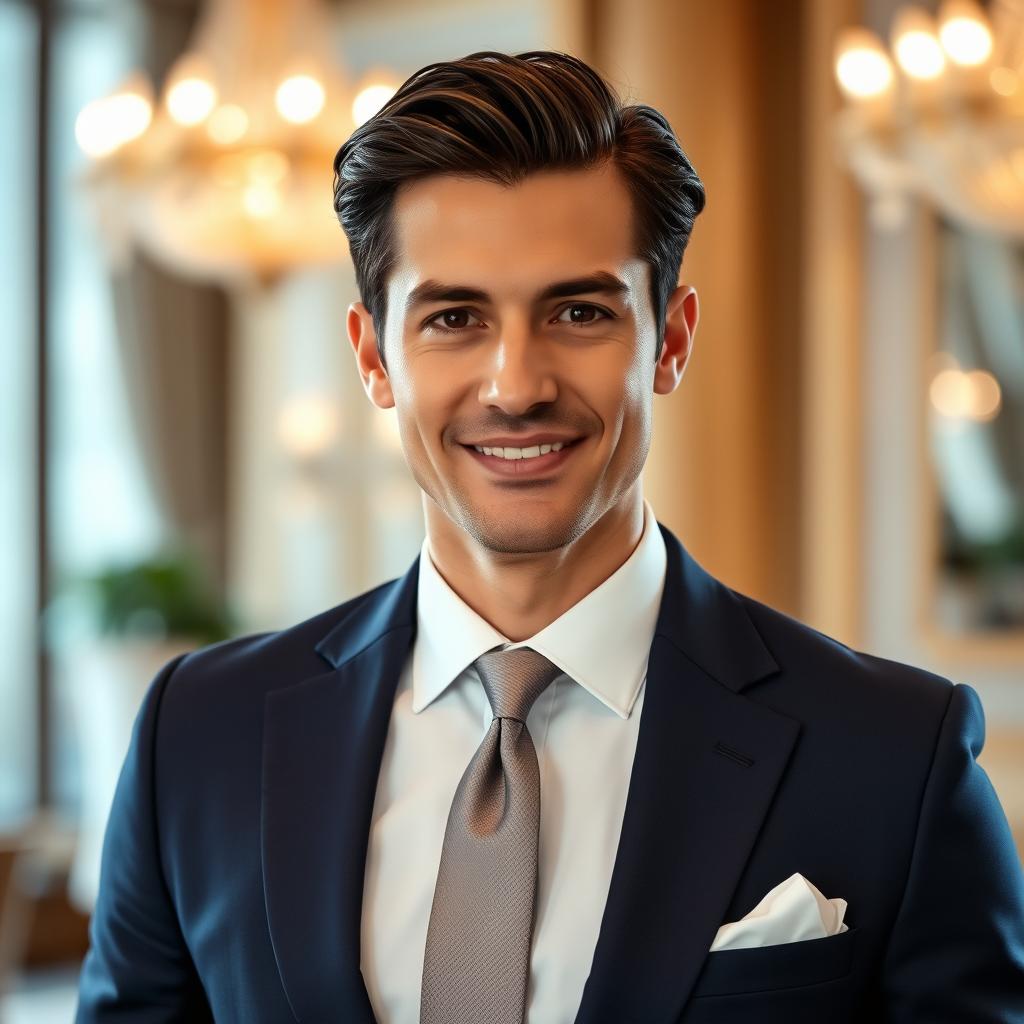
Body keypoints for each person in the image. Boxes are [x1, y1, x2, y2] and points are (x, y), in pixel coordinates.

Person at [76, 49, 1024, 1024]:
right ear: (374, 357)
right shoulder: (197, 739)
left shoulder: (891, 755)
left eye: (578, 311)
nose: (516, 385)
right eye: (453, 316)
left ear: (670, 339)